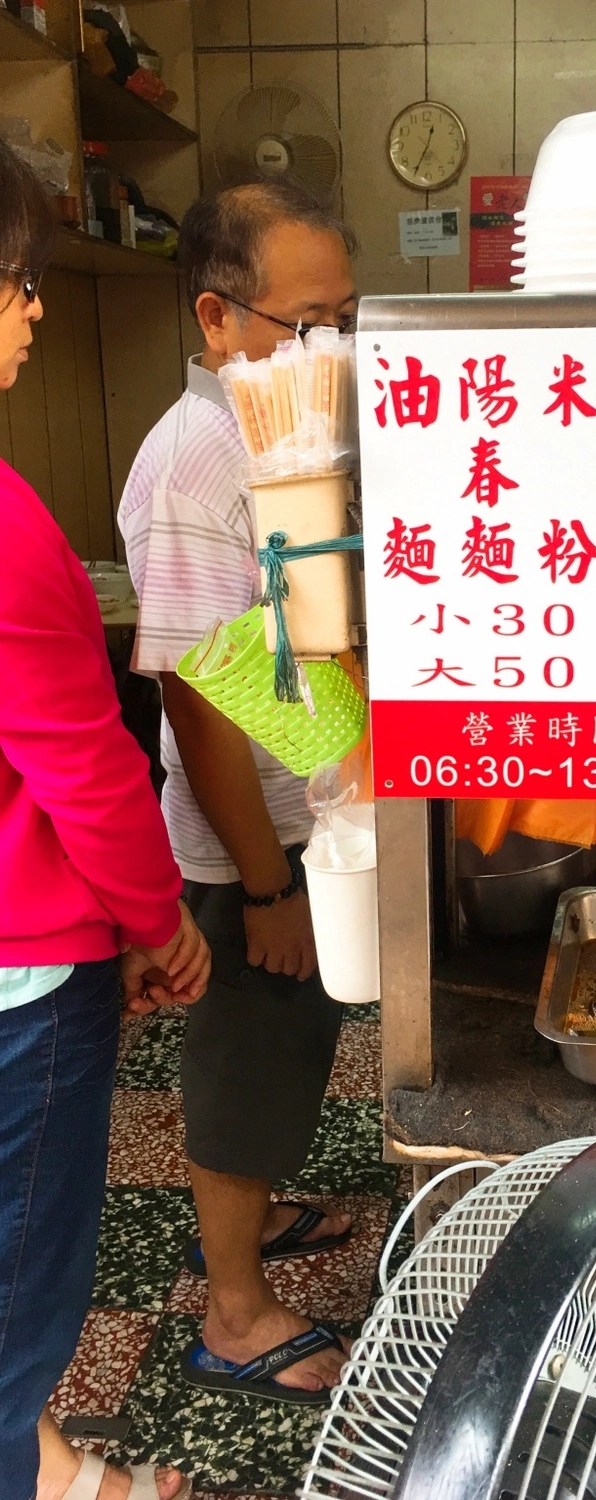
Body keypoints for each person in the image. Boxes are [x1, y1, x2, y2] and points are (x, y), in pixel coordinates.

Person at [119, 182, 359, 1403]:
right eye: (306, 324)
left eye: (347, 321)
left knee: (292, 1038)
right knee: (247, 1049)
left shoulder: (282, 433)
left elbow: (299, 638)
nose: (334, 350)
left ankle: (251, 1214)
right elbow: (198, 701)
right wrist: (265, 884)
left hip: (307, 811)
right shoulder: (193, 465)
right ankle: (234, 1310)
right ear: (216, 317)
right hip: (247, 841)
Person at [0, 141, 211, 1500]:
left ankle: (61, 1472)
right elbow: (87, 766)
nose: (30, 308)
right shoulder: (12, 525)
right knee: (19, 1301)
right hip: (24, 976)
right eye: (15, 278)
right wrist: (159, 917)